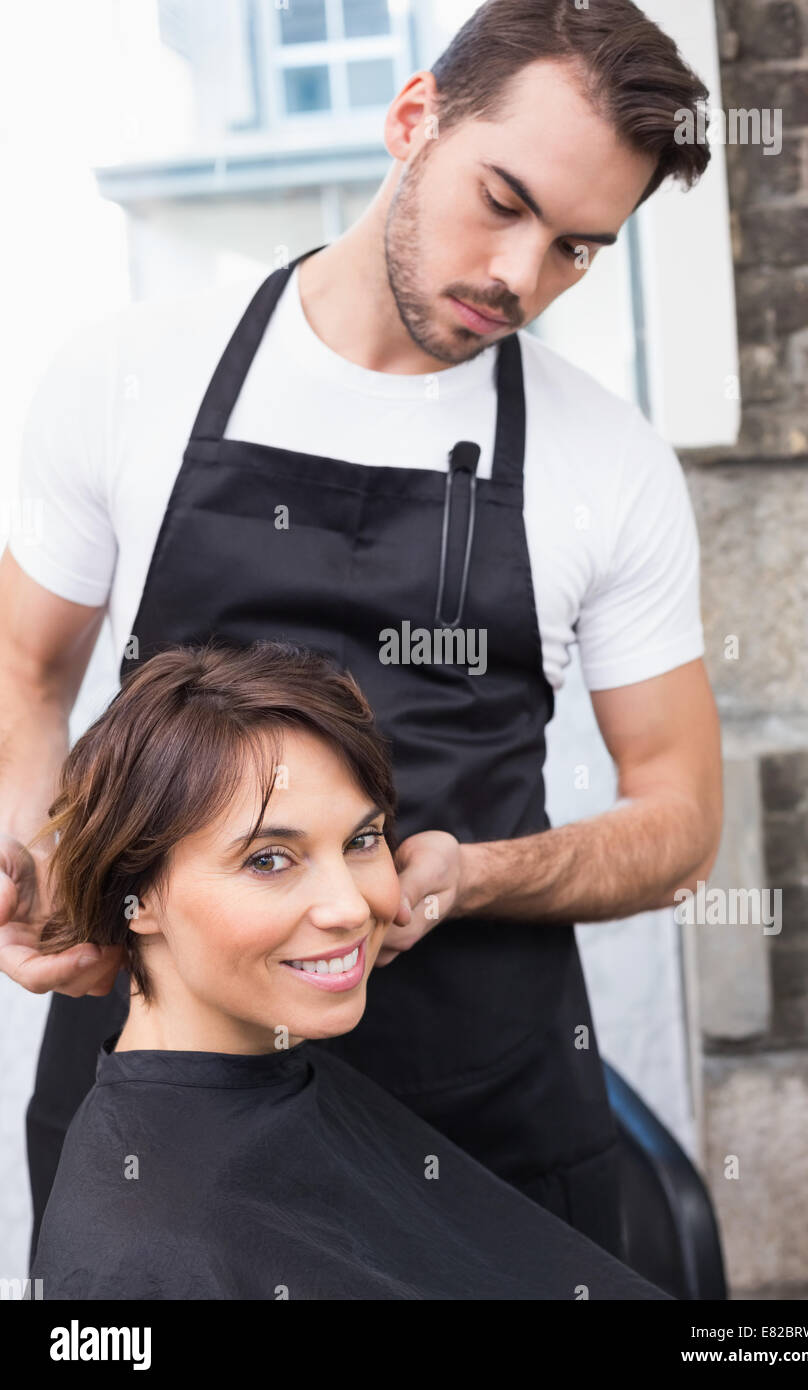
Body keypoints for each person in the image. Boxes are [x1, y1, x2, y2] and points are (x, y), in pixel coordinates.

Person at [0, 0, 724, 1270]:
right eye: (500, 201)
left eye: (576, 249)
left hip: (483, 1100)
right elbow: (22, 671)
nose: (520, 275)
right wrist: (54, 847)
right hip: (168, 1112)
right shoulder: (132, 374)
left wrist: (467, 873)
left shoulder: (608, 461)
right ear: (410, 120)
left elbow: (676, 826)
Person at [30, 638, 671, 1300]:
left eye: (363, 841)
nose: (350, 906)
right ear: (136, 898)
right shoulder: (144, 1266)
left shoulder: (283, 1080)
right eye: (269, 860)